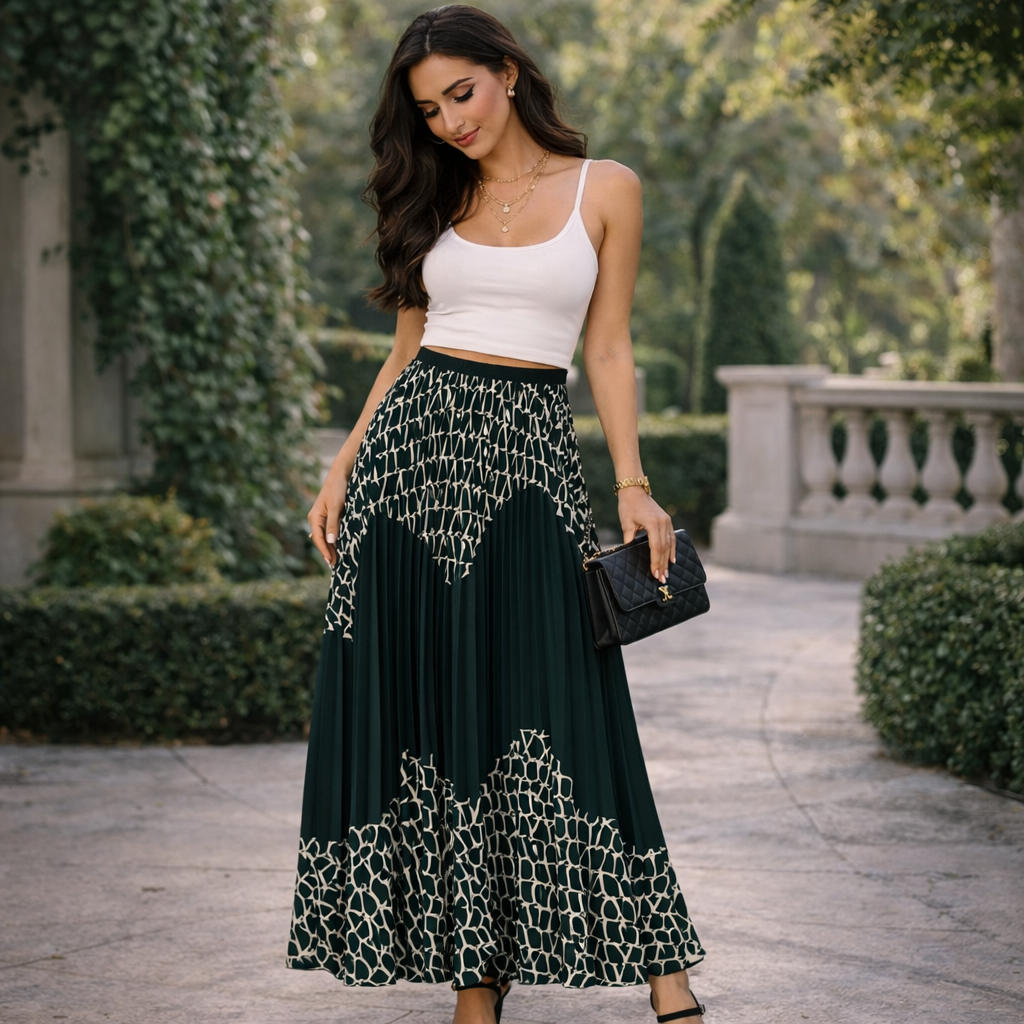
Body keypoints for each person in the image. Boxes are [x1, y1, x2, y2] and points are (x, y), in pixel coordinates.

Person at [286, 6, 706, 1023]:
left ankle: (665, 970)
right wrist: (343, 464)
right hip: (406, 474)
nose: (447, 122)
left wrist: (632, 484)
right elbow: (401, 354)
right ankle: (477, 980)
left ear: (508, 72)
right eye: (427, 110)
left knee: (574, 700)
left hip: (528, 468)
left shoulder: (606, 188)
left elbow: (606, 349)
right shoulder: (433, 196)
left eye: (459, 94)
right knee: (438, 719)